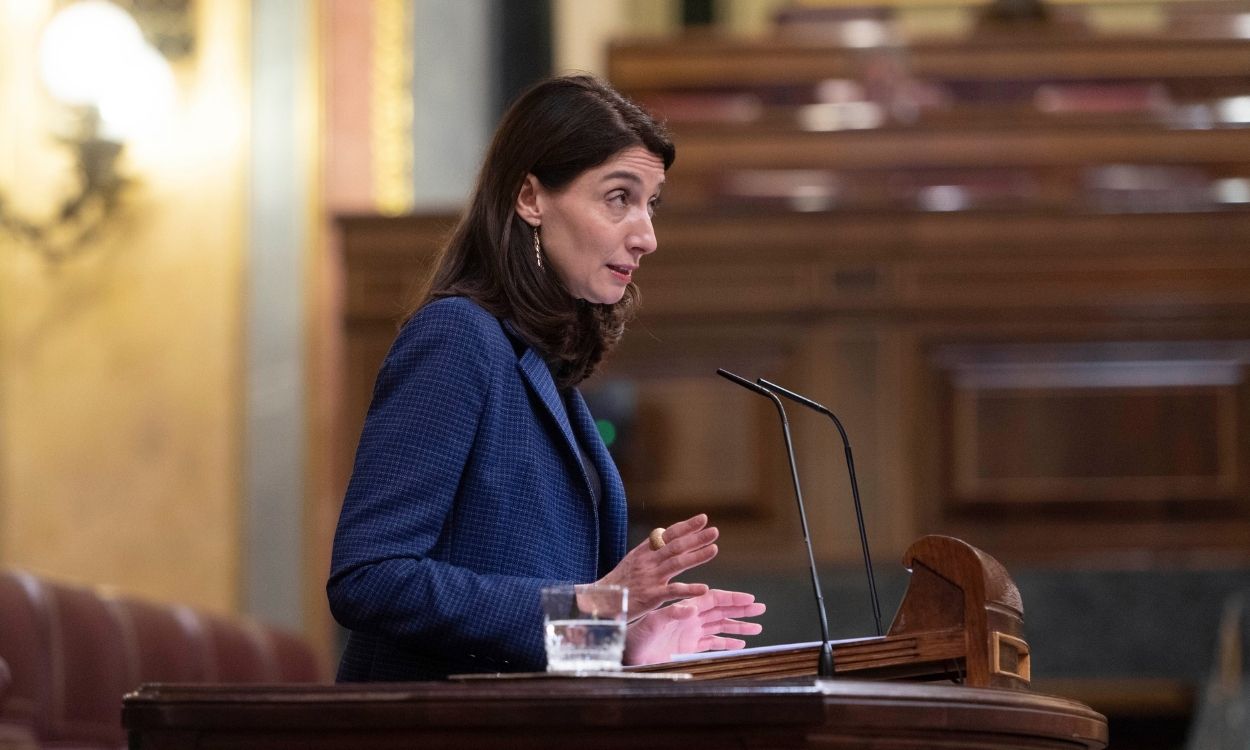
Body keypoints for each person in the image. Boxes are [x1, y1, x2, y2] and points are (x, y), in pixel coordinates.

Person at [327, 74, 765, 682]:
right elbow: (369, 577)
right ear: (530, 198)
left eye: (651, 203)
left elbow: (534, 630)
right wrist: (602, 607)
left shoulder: (542, 369)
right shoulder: (457, 338)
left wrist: (620, 640)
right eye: (619, 197)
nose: (647, 235)